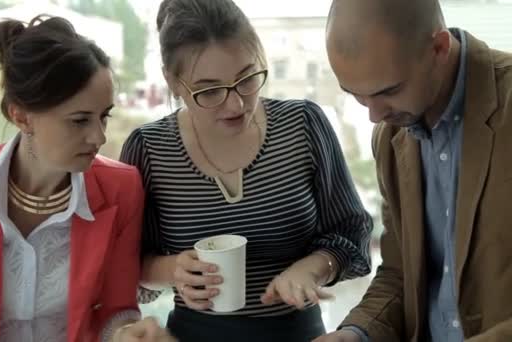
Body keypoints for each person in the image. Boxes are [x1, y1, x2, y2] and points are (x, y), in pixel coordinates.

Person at [0, 15, 174, 342]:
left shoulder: (122, 188)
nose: (99, 137)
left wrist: (127, 335)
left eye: (104, 117)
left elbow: (117, 310)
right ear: (21, 116)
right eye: (79, 120)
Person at [119, 0, 373, 341]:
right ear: (173, 81)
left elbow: (353, 231)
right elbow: (126, 266)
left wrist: (314, 268)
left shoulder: (303, 125)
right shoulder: (148, 149)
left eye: (247, 79)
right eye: (209, 90)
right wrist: (172, 270)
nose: (236, 104)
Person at [315, 0, 512, 341]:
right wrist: (356, 333)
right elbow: (399, 272)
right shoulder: (391, 136)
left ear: (438, 48)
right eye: (356, 95)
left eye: (389, 90)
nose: (374, 116)